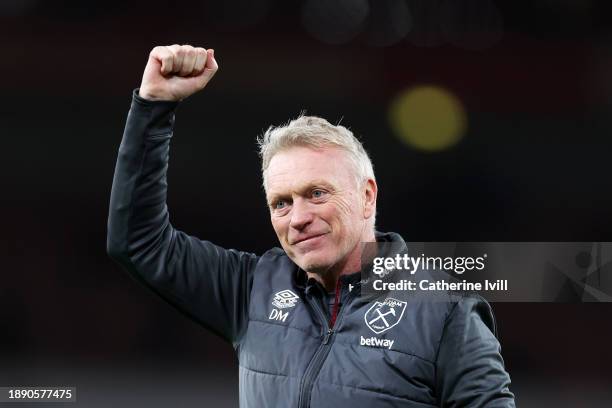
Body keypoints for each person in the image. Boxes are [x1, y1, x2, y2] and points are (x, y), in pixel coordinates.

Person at [107, 44, 515, 407]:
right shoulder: (253, 289)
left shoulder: (444, 312)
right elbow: (138, 242)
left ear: (367, 195)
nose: (299, 218)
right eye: (281, 203)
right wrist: (154, 106)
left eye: (317, 193)